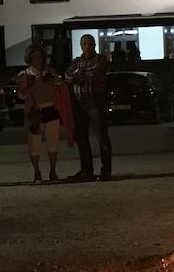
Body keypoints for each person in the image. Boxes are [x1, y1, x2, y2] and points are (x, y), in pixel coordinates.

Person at [17, 44, 73, 183]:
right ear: (29, 58)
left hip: (51, 109)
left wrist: (55, 80)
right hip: (34, 111)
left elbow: (59, 86)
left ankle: (53, 171)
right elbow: (21, 95)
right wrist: (33, 84)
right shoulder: (25, 74)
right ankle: (37, 172)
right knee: (34, 143)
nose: (38, 59)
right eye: (35, 57)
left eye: (40, 56)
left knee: (53, 143)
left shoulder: (49, 71)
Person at [65, 34, 112, 182]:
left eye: (90, 44)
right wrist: (78, 75)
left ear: (94, 45)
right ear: (81, 46)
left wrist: (77, 75)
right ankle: (86, 170)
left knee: (101, 136)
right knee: (81, 137)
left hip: (94, 100)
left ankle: (106, 171)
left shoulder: (100, 59)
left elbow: (93, 74)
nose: (87, 47)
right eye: (84, 44)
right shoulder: (76, 61)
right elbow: (67, 76)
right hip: (79, 102)